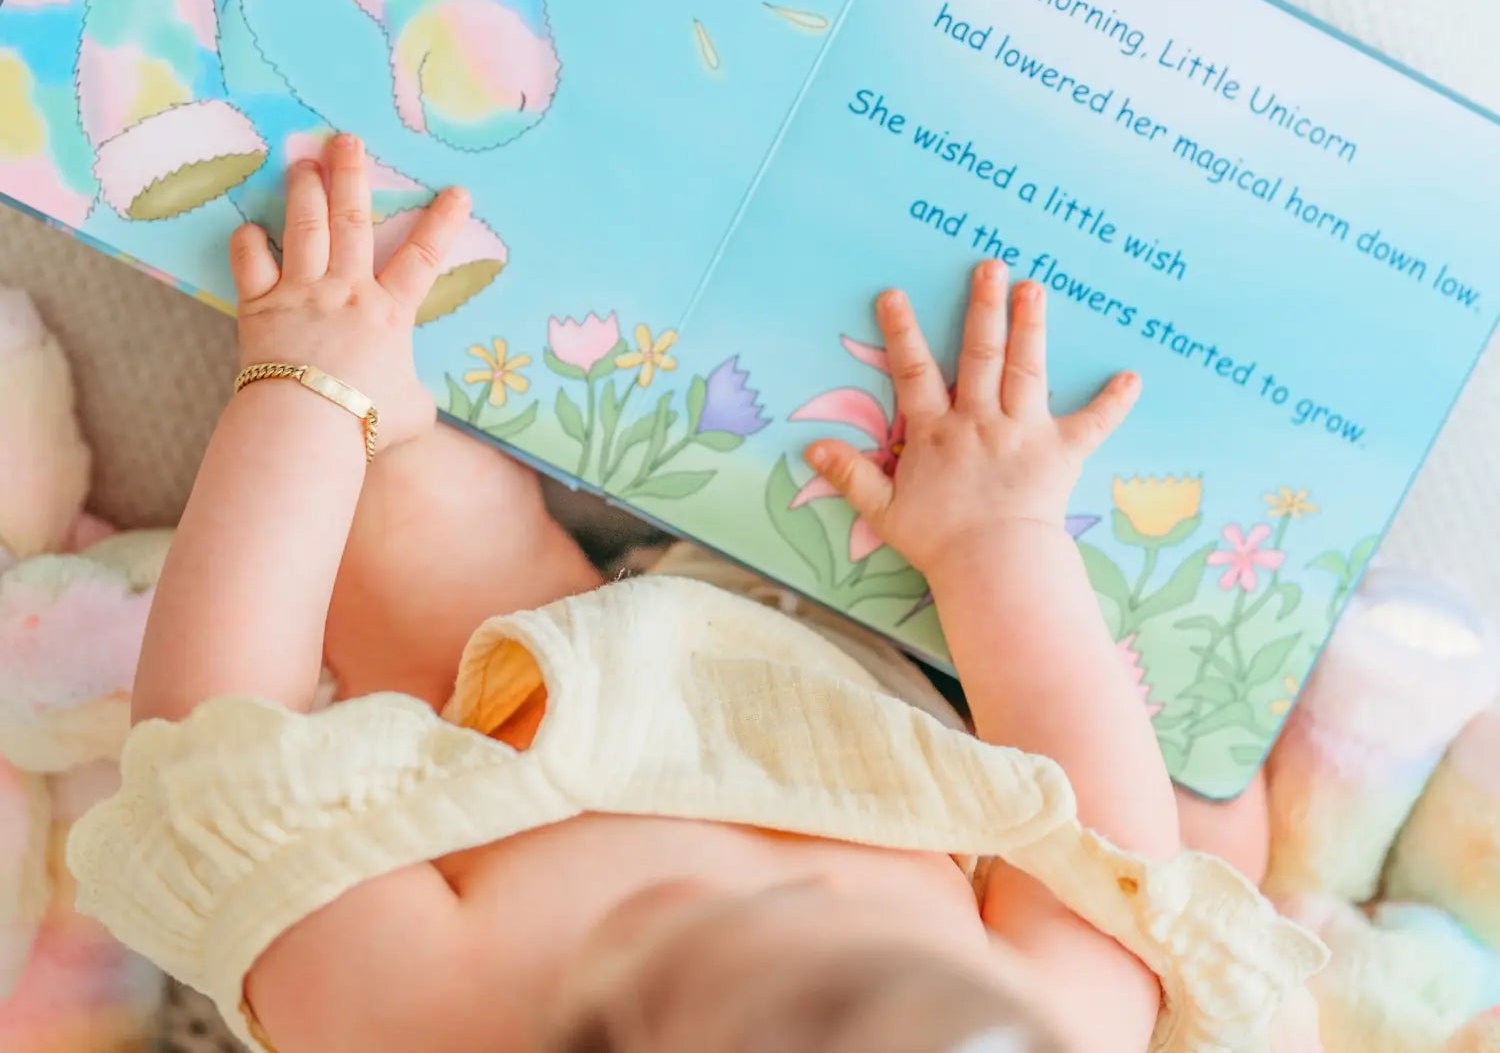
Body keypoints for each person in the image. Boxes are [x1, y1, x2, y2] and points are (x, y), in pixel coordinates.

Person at [67, 135, 1325, 1053]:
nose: (726, 884)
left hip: (520, 696)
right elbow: (1103, 839)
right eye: (809, 900)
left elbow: (210, 735)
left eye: (650, 960)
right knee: (1192, 842)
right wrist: (1000, 544)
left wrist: (310, 389)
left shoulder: (428, 1019)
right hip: (903, 719)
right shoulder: (1055, 1020)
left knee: (395, 518)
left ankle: (378, 407)